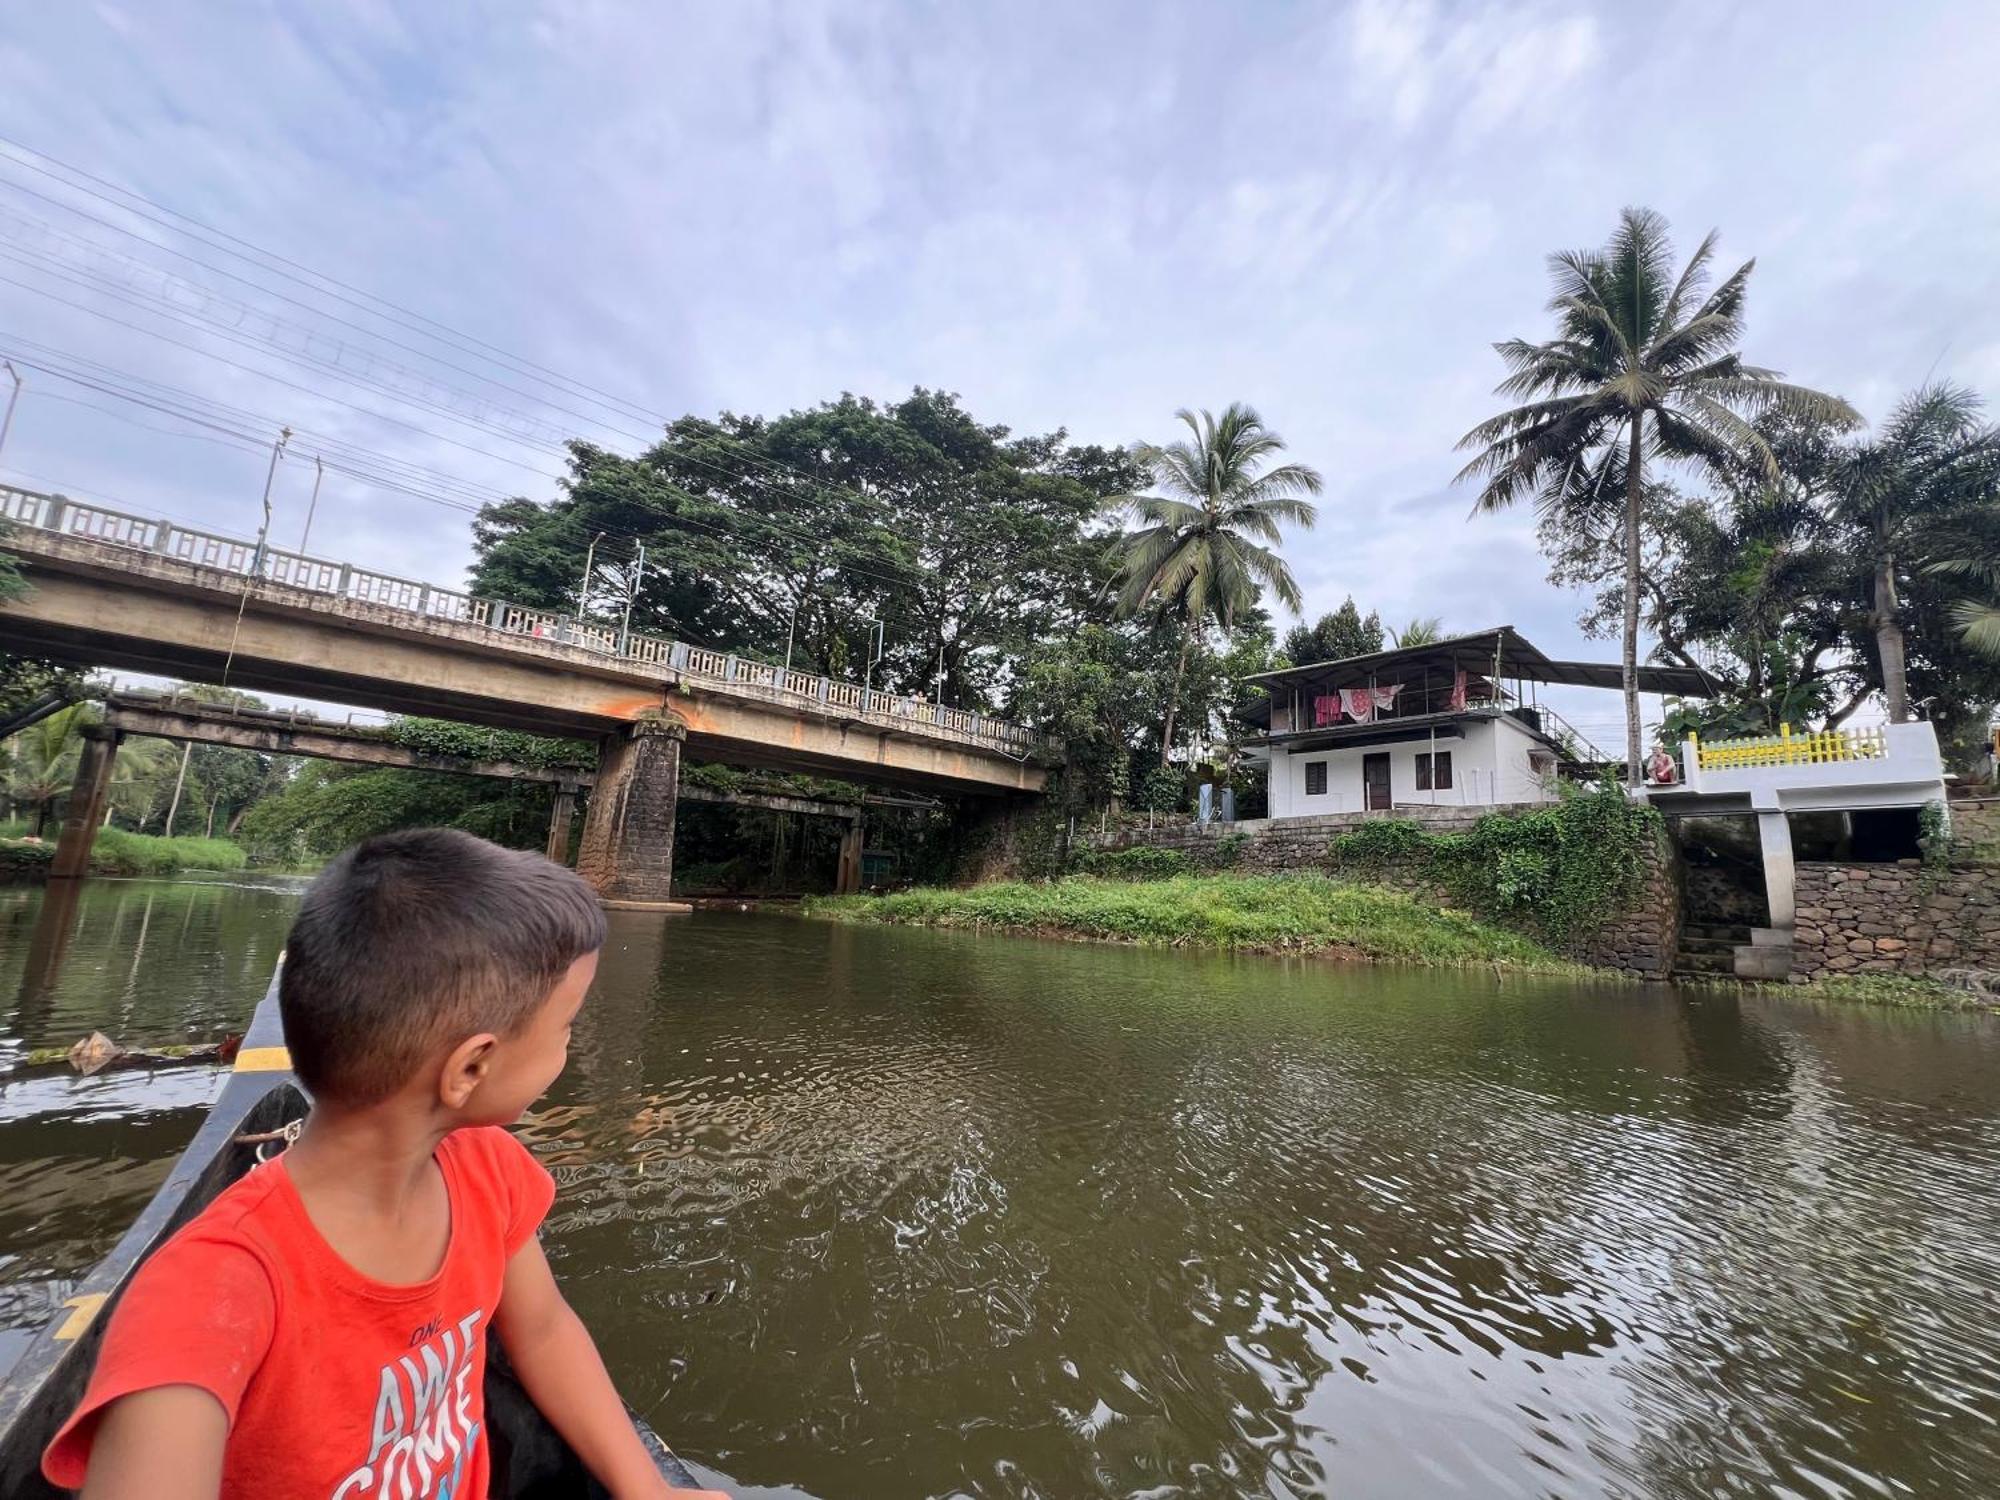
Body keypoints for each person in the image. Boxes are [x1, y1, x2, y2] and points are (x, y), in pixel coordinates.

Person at [42, 828, 724, 1500]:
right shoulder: (209, 1293)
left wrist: (645, 1488)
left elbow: (543, 1330)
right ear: (472, 1067)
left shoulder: (488, 1171)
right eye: (567, 1026)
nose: (568, 1049)